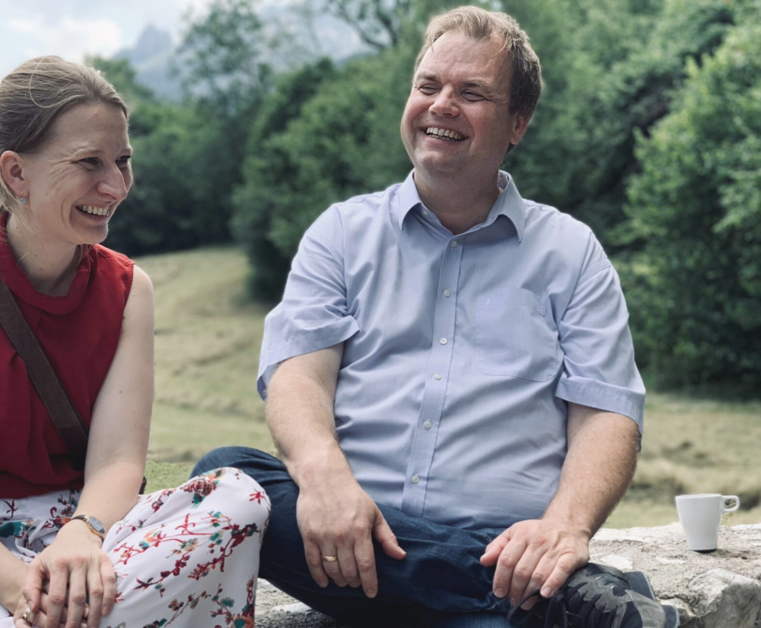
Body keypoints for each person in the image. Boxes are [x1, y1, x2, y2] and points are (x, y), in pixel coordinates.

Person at [193, 7, 675, 628]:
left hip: (506, 546)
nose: (441, 104)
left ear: (517, 124)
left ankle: (504, 589)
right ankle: (550, 601)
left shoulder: (571, 252)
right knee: (227, 475)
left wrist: (563, 528)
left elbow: (607, 414)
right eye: (428, 86)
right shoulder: (340, 233)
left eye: (471, 93)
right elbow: (296, 377)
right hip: (348, 538)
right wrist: (325, 479)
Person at [0, 56, 269, 628]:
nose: (116, 185)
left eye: (123, 161)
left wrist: (81, 537)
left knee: (241, 499)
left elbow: (118, 460)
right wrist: (21, 593)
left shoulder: (129, 289)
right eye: (90, 163)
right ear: (15, 174)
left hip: (86, 535)